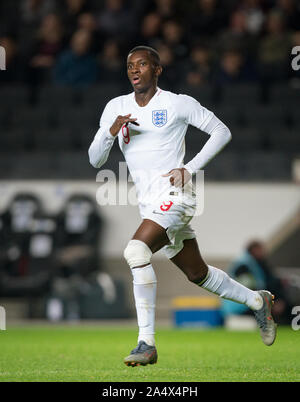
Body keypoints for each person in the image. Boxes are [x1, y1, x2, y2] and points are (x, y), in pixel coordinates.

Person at [88, 45, 277, 367]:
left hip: (178, 197)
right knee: (197, 273)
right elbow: (95, 160)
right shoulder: (115, 108)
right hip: (149, 205)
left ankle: (146, 342)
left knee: (136, 251)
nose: (134, 70)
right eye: (130, 65)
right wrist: (110, 132)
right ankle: (258, 300)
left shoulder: (177, 103)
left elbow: (221, 131)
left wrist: (189, 168)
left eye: (143, 64)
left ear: (157, 69)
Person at [222, 240, 289, 324]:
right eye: (261, 250)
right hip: (240, 306)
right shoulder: (243, 265)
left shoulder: (256, 264)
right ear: (254, 250)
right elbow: (248, 288)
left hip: (251, 303)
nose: (264, 252)